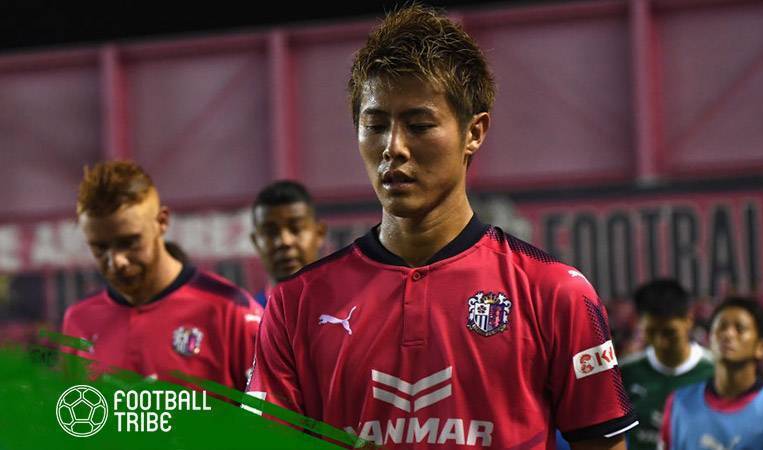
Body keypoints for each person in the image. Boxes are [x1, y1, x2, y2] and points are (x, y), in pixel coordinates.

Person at [246, 5, 637, 449]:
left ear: (475, 132)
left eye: (419, 125)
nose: (393, 147)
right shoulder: (295, 305)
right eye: (375, 125)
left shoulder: (555, 293)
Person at [61, 160, 263, 391]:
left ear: (162, 221)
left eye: (129, 242)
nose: (116, 261)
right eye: (100, 248)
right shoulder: (79, 321)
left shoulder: (231, 311)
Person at [659, 297, 763, 450]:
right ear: (710, 339)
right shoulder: (678, 403)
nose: (728, 335)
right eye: (721, 328)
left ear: (761, 347)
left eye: (740, 329)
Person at [620, 279, 714, 450]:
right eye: (651, 332)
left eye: (669, 332)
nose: (660, 342)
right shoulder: (624, 373)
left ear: (689, 320)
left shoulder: (715, 371)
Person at [249, 180, 327, 307]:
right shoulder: (250, 315)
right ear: (256, 241)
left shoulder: (347, 307)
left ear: (319, 233)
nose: (284, 241)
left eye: (296, 228)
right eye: (270, 232)